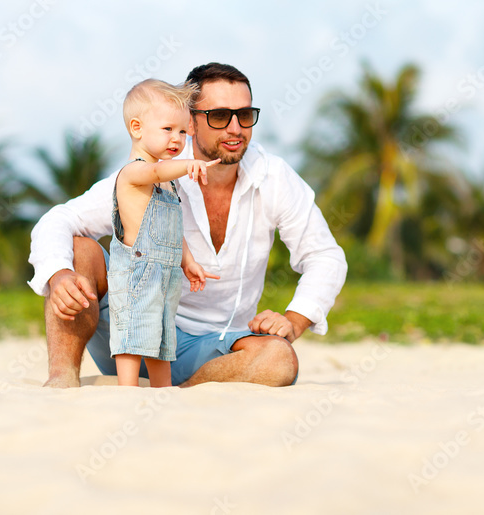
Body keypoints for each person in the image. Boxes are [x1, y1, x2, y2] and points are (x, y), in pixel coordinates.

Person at [27, 63, 347, 388]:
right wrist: (58, 274)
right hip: (130, 326)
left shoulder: (275, 177)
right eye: (220, 116)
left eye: (245, 115)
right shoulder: (151, 172)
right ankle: (62, 379)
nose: (236, 128)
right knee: (79, 250)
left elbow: (325, 255)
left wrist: (294, 320)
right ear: (190, 121)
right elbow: (58, 219)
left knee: (280, 360)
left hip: (219, 348)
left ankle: (182, 392)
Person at [107, 79, 219, 387]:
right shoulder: (136, 172)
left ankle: (162, 388)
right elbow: (155, 172)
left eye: (183, 131)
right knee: (132, 329)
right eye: (168, 129)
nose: (178, 138)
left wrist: (188, 260)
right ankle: (127, 388)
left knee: (161, 334)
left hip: (166, 272)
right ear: (136, 128)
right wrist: (189, 164)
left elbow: (170, 227)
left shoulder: (168, 182)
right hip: (137, 271)